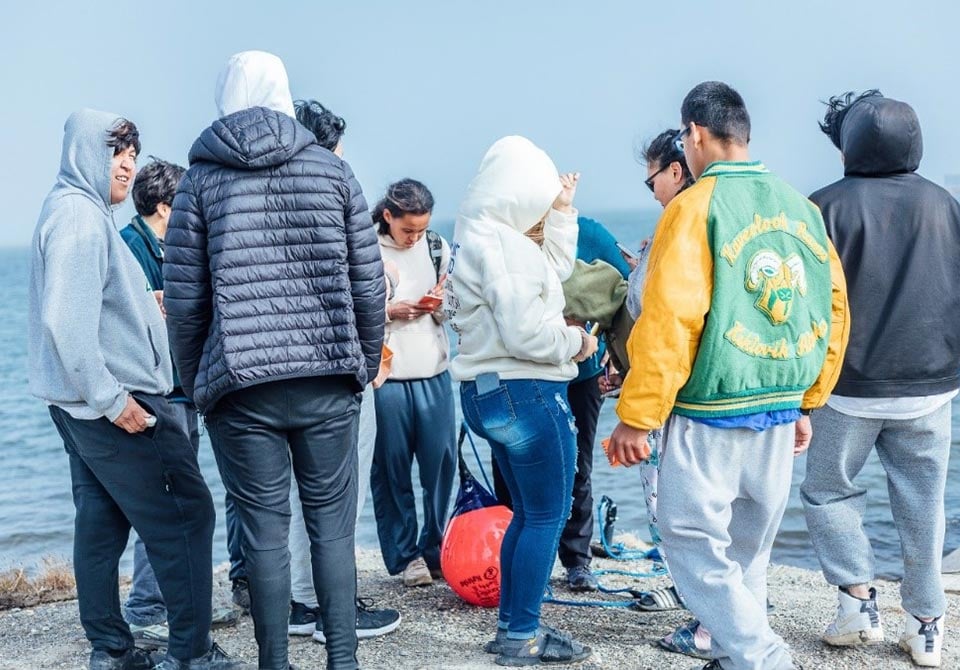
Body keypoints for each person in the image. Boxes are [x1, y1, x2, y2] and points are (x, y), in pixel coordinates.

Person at [607, 81, 850, 670]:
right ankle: (739, 655)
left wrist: (637, 415)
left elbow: (671, 318)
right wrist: (810, 399)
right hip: (780, 401)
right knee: (749, 547)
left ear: (693, 134)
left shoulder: (693, 209)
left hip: (712, 406)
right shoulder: (800, 206)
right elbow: (833, 308)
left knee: (689, 539)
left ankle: (761, 656)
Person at [164, 51, 385, 670]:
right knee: (333, 531)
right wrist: (362, 365)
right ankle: (343, 660)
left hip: (239, 385)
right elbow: (368, 284)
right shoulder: (333, 172)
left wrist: (196, 382)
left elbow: (185, 301)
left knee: (263, 535)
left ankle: (274, 665)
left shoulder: (199, 182)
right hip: (327, 377)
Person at [28, 110, 246, 670]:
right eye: (116, 151)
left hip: (79, 405)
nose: (128, 164)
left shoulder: (75, 211)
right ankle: (192, 653)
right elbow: (65, 323)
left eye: (132, 153)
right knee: (187, 514)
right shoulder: (79, 217)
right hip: (115, 401)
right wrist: (113, 400)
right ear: (84, 153)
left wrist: (140, 314)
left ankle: (111, 649)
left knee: (101, 522)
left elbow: (89, 310)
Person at [801, 90, 960, 668]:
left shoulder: (821, 207)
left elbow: (805, 302)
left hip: (846, 386)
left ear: (849, 145)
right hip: (933, 384)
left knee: (828, 491)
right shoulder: (947, 205)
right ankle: (926, 627)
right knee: (923, 502)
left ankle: (857, 605)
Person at [447, 135, 597, 666]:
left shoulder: (480, 237)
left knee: (524, 514)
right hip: (527, 390)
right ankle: (521, 636)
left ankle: (514, 627)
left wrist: (561, 210)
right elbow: (526, 334)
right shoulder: (506, 247)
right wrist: (578, 344)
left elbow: (550, 268)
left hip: (484, 392)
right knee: (546, 516)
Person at [285, 98, 400, 643]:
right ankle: (330, 605)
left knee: (290, 495)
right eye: (336, 149)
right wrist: (372, 354)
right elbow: (364, 283)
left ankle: (303, 601)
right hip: (338, 370)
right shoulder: (330, 193)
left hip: (276, 375)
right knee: (338, 494)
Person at [119, 158, 240, 644]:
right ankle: (149, 606)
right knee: (168, 505)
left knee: (182, 503)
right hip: (158, 393)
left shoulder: (168, 245)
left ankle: (174, 603)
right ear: (167, 206)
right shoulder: (130, 246)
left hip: (181, 390)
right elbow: (123, 313)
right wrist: (157, 299)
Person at [369, 178, 457, 587]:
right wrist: (390, 311)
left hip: (435, 370)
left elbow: (454, 308)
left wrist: (441, 302)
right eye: (408, 230)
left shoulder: (437, 246)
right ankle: (405, 557)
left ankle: (437, 546)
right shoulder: (365, 247)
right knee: (391, 468)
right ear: (388, 216)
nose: (415, 238)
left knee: (441, 462)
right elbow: (352, 309)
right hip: (387, 376)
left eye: (421, 230)